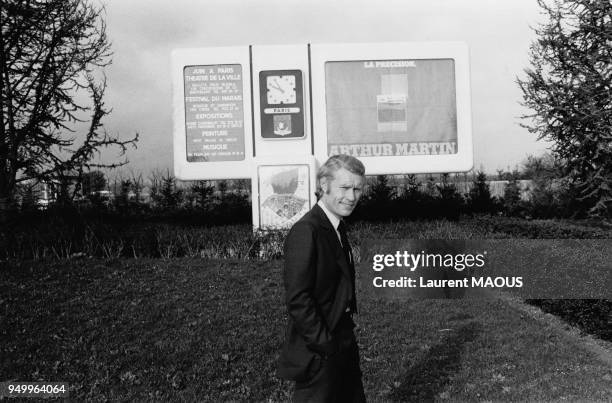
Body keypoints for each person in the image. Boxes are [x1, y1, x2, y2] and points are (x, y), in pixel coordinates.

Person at [277, 154, 367, 402]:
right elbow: (298, 298)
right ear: (324, 186)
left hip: (343, 343)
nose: (351, 197)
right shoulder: (307, 230)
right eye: (345, 188)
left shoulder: (337, 227)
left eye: (357, 189)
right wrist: (325, 345)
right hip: (319, 354)